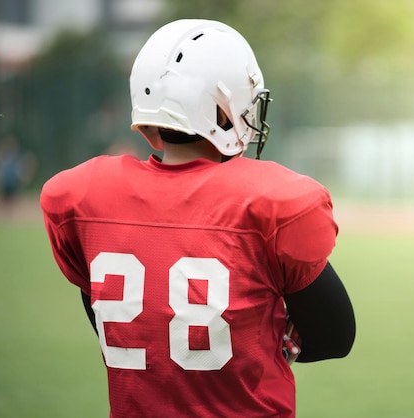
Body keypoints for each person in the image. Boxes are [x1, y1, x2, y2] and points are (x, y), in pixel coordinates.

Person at [40, 19, 355, 417]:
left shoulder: (83, 198)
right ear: (225, 113)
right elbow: (335, 337)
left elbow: (112, 322)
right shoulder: (269, 202)